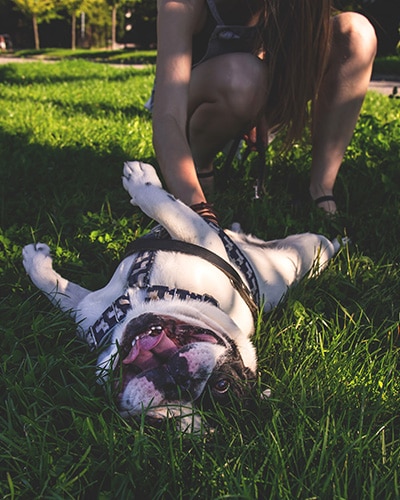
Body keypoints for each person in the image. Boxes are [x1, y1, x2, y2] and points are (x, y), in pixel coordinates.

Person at [150, 0, 377, 222]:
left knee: (357, 33)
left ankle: (320, 189)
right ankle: (199, 164)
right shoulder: (181, 5)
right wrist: (198, 211)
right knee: (243, 76)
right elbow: (167, 118)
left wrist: (264, 113)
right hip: (194, 110)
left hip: (254, 95)